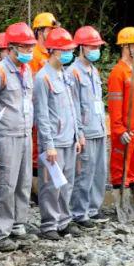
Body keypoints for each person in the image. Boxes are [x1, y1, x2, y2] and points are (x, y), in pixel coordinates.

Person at [0, 22, 37, 251]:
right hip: (6, 134)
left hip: (25, 132)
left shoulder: (28, 71)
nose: (28, 52)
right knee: (5, 184)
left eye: (30, 47)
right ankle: (0, 232)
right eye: (24, 48)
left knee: (23, 182)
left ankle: (19, 224)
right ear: (12, 47)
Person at [32, 27, 83, 241]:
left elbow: (74, 106)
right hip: (54, 141)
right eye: (65, 50)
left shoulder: (65, 74)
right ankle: (49, 224)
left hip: (69, 139)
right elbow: (42, 115)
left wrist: (78, 133)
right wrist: (48, 144)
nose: (69, 54)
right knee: (51, 184)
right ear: (53, 51)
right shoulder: (43, 78)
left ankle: (64, 220)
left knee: (67, 183)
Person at [68, 26, 108, 229]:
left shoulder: (93, 70)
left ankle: (93, 208)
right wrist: (79, 132)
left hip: (99, 127)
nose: (95, 50)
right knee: (84, 172)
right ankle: (79, 212)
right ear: (81, 47)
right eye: (92, 46)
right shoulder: (73, 72)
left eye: (97, 46)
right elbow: (73, 106)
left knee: (99, 171)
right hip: (85, 130)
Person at [108, 27, 134, 214]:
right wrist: (118, 129)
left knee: (133, 166)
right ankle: (119, 203)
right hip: (124, 130)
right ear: (125, 46)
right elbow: (115, 104)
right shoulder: (118, 73)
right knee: (120, 166)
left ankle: (130, 202)